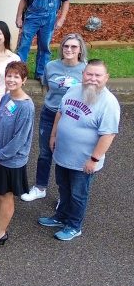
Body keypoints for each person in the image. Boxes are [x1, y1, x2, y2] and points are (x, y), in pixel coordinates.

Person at [40, 60, 120, 241]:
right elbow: (60, 113)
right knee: (63, 188)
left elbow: (108, 135)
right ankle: (61, 217)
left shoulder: (109, 103)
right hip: (63, 155)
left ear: (106, 78)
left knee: (78, 194)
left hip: (83, 161)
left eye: (97, 75)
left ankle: (74, 226)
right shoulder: (73, 90)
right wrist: (53, 136)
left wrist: (94, 159)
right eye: (89, 74)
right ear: (83, 74)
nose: (92, 79)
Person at [22, 33, 87, 202]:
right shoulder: (51, 66)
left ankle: (63, 195)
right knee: (45, 153)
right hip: (49, 114)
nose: (69, 49)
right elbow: (46, 87)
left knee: (66, 155)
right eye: (66, 46)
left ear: (80, 50)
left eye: (73, 47)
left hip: (72, 118)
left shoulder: (86, 70)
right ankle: (40, 187)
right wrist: (52, 102)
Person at [0, 61, 35, 246]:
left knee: (6, 195)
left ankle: (1, 233)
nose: (11, 79)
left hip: (11, 161)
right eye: (9, 75)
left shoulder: (26, 106)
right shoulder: (5, 98)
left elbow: (19, 141)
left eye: (16, 77)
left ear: (24, 80)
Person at [16, 0, 74, 78]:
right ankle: (19, 72)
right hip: (32, 18)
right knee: (24, 45)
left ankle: (41, 74)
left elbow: (66, 1)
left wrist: (61, 19)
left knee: (44, 46)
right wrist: (19, 16)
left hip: (49, 19)